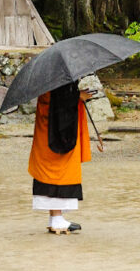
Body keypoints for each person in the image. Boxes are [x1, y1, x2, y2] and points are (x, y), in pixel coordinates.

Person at [28, 81, 104, 235]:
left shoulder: (51, 75)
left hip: (50, 128)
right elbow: (58, 101)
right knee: (58, 169)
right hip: (55, 133)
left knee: (56, 169)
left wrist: (76, 95)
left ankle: (55, 217)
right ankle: (56, 218)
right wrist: (77, 96)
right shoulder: (56, 78)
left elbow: (59, 97)